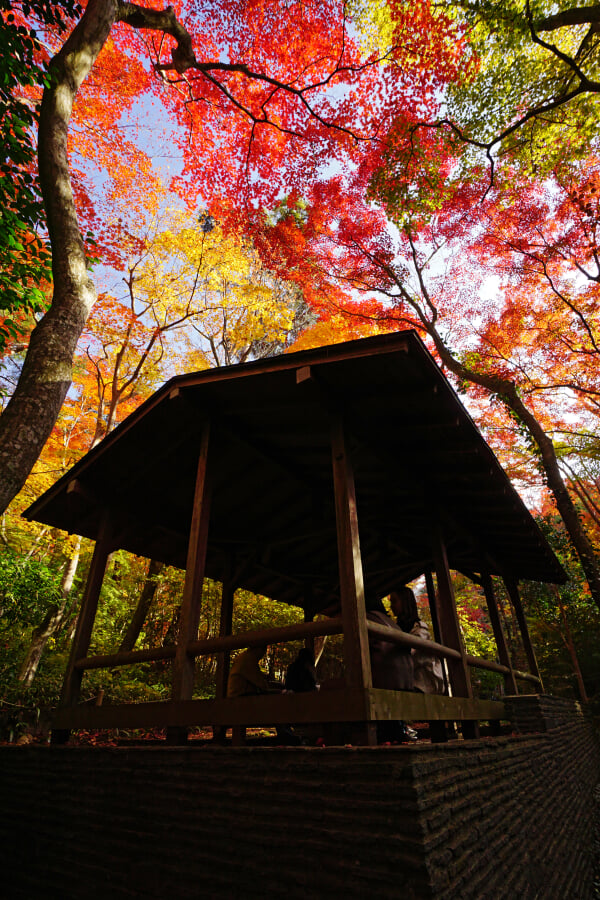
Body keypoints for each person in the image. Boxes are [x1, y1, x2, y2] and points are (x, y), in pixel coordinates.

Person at [366, 599, 416, 742]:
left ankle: (386, 732)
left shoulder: (368, 617)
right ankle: (396, 729)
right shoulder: (390, 622)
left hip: (387, 676)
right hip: (405, 678)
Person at [389, 586, 444, 694]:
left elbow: (412, 657)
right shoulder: (397, 627)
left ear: (405, 602)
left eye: (394, 601)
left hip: (424, 684)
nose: (391, 606)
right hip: (408, 682)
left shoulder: (420, 630)